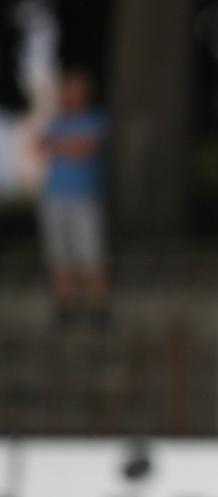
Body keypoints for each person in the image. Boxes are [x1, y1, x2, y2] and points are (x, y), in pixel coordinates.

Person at [39, 69, 110, 329]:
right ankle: (64, 307)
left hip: (84, 199)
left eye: (74, 90)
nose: (68, 95)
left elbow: (86, 148)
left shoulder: (96, 120)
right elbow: (40, 144)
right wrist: (64, 145)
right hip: (54, 198)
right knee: (60, 256)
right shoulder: (56, 121)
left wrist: (59, 146)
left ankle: (99, 309)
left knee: (91, 255)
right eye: (66, 90)